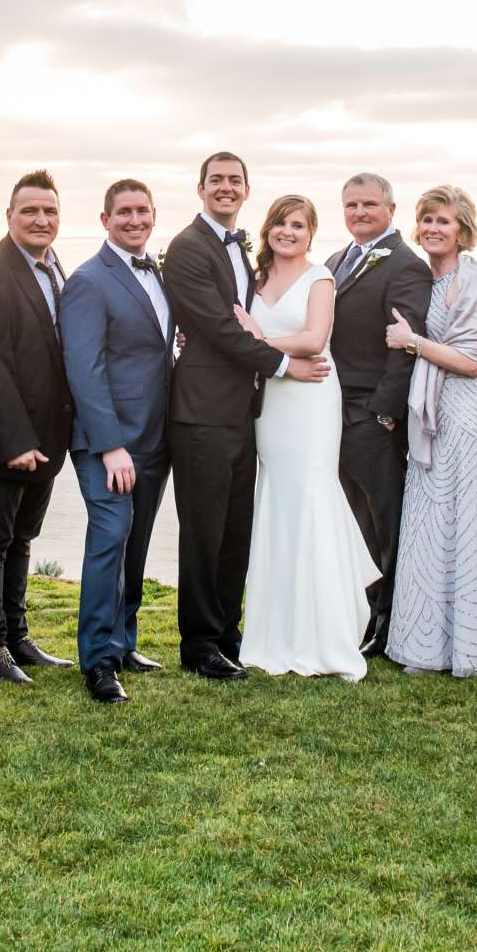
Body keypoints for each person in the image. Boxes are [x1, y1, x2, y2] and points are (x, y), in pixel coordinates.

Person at [160, 151, 330, 679]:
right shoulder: (188, 249)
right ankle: (200, 644)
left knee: (236, 531)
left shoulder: (242, 253)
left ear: (247, 190)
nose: (226, 188)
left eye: (235, 181)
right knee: (205, 532)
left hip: (243, 414)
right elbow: (217, 328)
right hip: (201, 414)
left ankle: (229, 633)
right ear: (200, 188)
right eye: (217, 181)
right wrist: (285, 364)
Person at [234, 195, 377, 680]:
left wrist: (252, 340)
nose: (287, 232)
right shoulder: (252, 279)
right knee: (276, 502)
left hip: (311, 397)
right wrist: (255, 347)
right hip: (271, 403)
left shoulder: (321, 278)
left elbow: (314, 340)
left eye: (298, 225)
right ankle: (274, 633)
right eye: (280, 223)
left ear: (311, 234)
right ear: (268, 228)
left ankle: (325, 634)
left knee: (312, 497)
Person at [386, 186, 477, 678]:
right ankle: (427, 643)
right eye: (426, 221)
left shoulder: (469, 277)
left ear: (462, 229)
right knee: (430, 518)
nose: (433, 229)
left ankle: (471, 646)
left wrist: (412, 342)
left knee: (465, 519)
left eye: (443, 221)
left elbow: (472, 360)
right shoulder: (432, 279)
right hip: (437, 409)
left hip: (468, 410)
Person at [59, 179, 176, 703]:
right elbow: (84, 368)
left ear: (154, 216)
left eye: (142, 211)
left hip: (154, 434)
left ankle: (124, 639)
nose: (135, 220)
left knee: (137, 541)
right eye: (123, 212)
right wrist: (110, 444)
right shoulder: (88, 280)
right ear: (104, 220)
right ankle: (99, 660)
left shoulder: (158, 273)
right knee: (110, 536)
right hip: (109, 441)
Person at [0, 171, 76, 684]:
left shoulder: (53, 268)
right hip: (3, 442)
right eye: (30, 211)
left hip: (47, 438)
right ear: (9, 216)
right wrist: (16, 441)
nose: (40, 219)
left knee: (22, 538)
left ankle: (17, 636)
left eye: (49, 211)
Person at [323, 172, 432, 658]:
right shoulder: (335, 260)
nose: (359, 212)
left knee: (387, 523)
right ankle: (365, 614)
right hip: (332, 413)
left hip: (371, 416)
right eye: (351, 205)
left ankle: (390, 626)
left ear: (391, 209)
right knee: (356, 522)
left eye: (369, 204)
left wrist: (384, 414)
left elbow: (405, 346)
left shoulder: (406, 266)